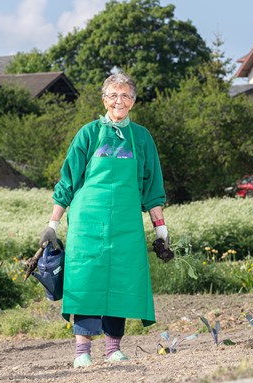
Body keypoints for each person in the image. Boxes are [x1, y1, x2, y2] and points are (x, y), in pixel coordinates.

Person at [40, 72, 170, 368]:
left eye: (125, 95)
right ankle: (82, 352)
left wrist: (160, 229)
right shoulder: (88, 133)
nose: (119, 101)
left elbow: (152, 187)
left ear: (134, 102)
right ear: (104, 100)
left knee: (121, 280)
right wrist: (53, 224)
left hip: (126, 224)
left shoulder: (141, 137)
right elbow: (68, 181)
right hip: (88, 222)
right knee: (85, 281)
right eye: (113, 95)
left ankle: (113, 349)